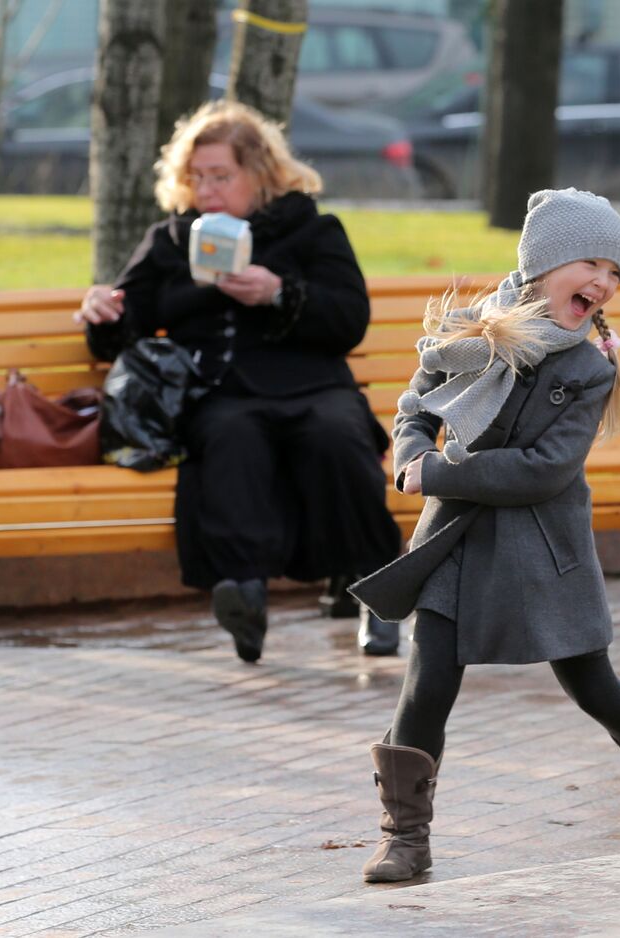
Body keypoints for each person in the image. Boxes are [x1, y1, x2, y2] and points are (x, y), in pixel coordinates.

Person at [348, 188, 620, 884]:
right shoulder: (472, 332)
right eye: (590, 262)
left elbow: (543, 471)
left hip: (545, 548)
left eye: (615, 273)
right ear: (543, 261)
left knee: (596, 686)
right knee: (426, 685)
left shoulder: (589, 368)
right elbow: (416, 405)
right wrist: (411, 453)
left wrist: (438, 471)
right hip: (455, 547)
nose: (604, 283)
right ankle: (404, 838)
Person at [77, 100, 403, 661]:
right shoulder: (172, 239)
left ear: (260, 173)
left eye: (221, 175)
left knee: (334, 435)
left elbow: (348, 317)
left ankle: (377, 589)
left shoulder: (310, 228)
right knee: (230, 438)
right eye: (197, 176)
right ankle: (243, 594)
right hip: (219, 389)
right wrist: (101, 309)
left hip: (312, 383)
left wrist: (279, 292)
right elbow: (123, 326)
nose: (207, 189)